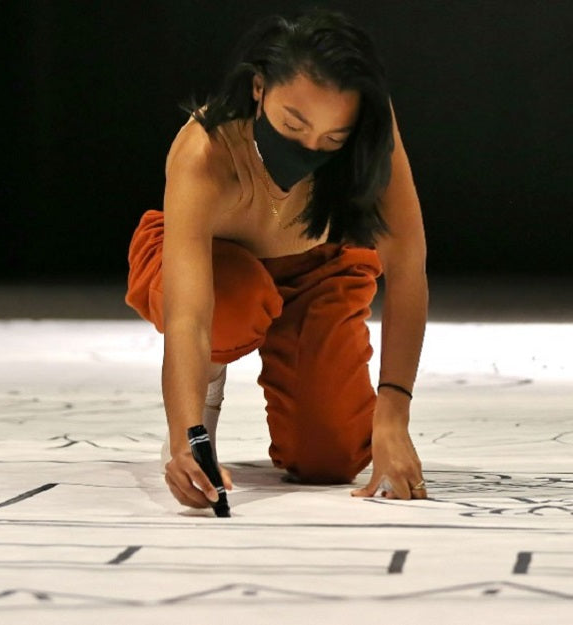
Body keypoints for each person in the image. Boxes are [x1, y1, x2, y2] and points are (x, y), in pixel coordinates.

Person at [125, 8, 428, 511]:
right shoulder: (205, 151)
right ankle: (208, 385)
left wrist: (393, 416)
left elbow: (407, 270)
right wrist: (186, 435)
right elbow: (187, 315)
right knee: (229, 307)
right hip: (216, 270)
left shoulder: (373, 133)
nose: (311, 147)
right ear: (259, 88)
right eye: (293, 124)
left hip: (316, 268)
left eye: (334, 139)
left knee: (330, 457)